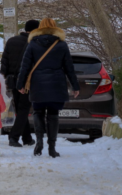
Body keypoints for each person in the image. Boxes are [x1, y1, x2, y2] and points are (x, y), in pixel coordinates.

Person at [15, 18, 80, 158]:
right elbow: (69, 67)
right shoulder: (61, 44)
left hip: (38, 84)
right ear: (54, 27)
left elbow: (25, 66)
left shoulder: (32, 44)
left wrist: (20, 85)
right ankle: (52, 147)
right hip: (56, 84)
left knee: (37, 112)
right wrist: (75, 86)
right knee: (53, 115)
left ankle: (39, 142)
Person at [0, 19, 40, 147]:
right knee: (23, 109)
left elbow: (4, 60)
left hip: (12, 81)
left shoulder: (11, 41)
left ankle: (27, 138)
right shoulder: (35, 43)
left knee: (20, 109)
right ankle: (14, 137)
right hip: (26, 82)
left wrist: (3, 76)